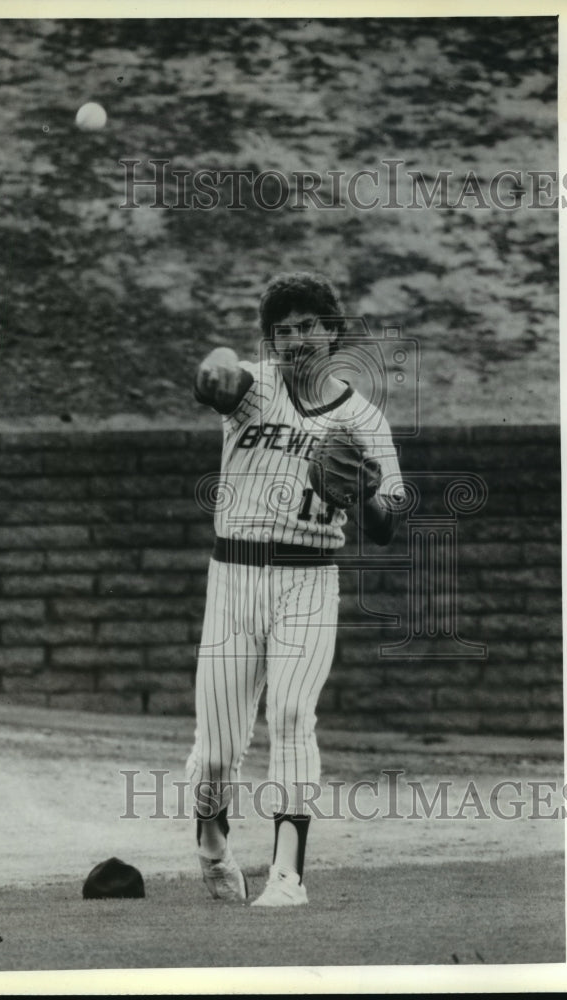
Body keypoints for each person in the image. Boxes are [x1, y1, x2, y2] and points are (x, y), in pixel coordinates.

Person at [186, 271, 404, 907]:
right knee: (220, 749)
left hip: (310, 577)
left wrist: (364, 493)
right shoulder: (256, 393)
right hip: (232, 578)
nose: (296, 337)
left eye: (309, 325)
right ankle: (211, 836)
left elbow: (387, 526)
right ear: (271, 342)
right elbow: (217, 376)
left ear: (333, 332)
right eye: (283, 329)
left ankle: (288, 875)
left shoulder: (365, 419)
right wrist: (217, 367)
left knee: (290, 716)